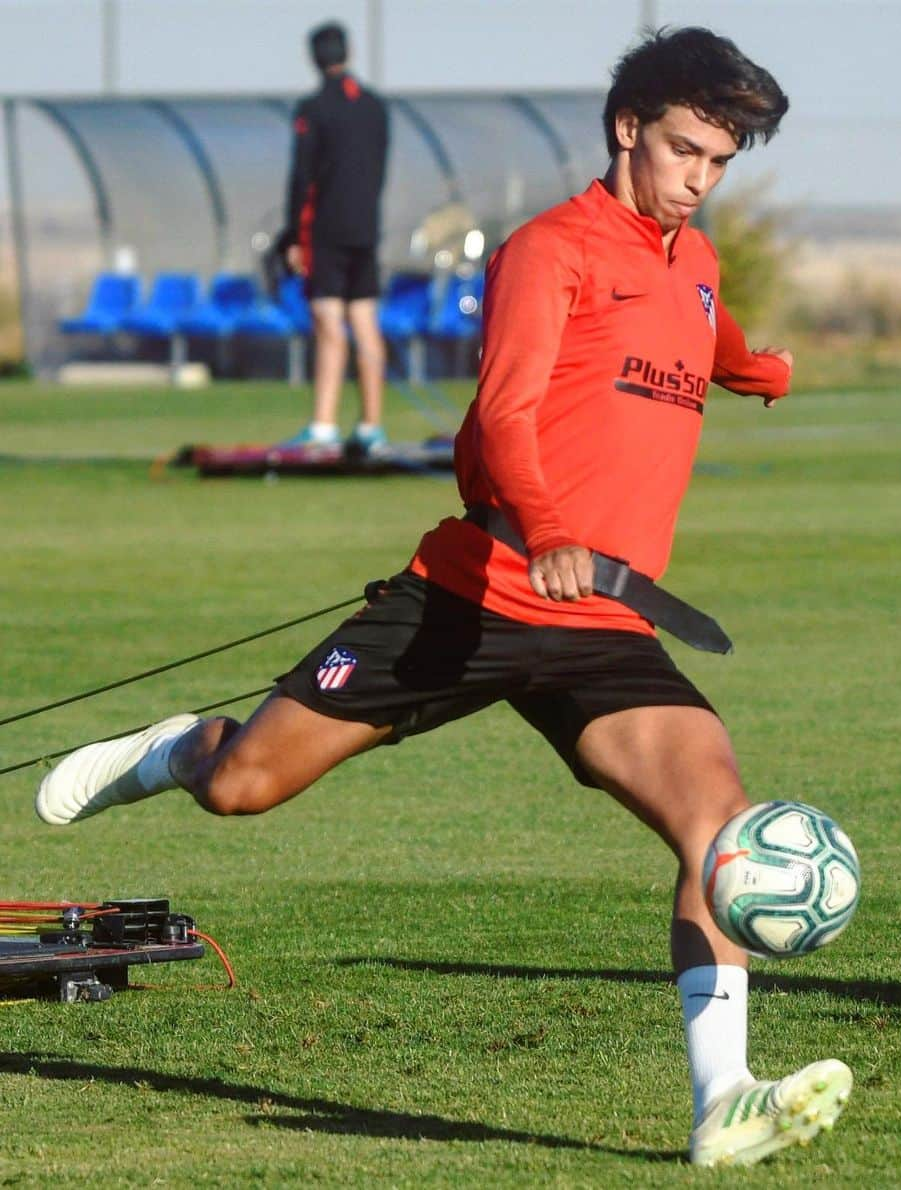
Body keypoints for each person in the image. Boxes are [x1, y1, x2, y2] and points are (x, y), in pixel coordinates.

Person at [35, 28, 852, 1168]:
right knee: (243, 786)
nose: (699, 179)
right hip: (477, 591)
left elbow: (690, 329)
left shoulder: (694, 256)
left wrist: (752, 366)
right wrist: (554, 526)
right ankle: (173, 749)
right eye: (684, 151)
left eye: (719, 161)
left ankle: (725, 1102)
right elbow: (507, 412)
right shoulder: (548, 250)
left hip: (604, 621)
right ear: (629, 128)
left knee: (723, 837)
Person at [278, 21, 390, 456]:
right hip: (365, 228)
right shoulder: (376, 107)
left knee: (328, 322)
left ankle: (325, 424)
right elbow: (378, 167)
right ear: (349, 52)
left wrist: (292, 235)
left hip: (325, 229)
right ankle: (371, 425)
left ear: (314, 58)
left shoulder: (313, 108)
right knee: (365, 321)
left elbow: (302, 175)